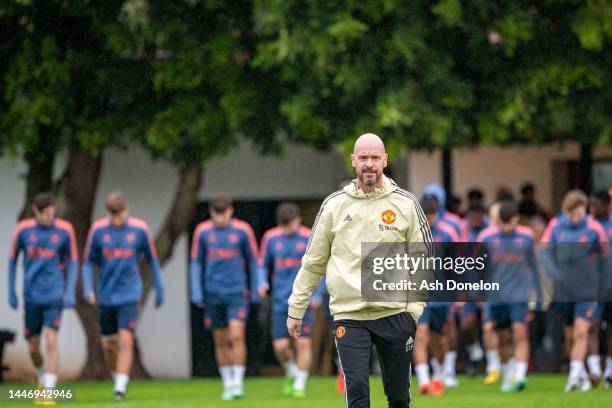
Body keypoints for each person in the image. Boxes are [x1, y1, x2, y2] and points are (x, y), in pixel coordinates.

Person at [287, 133, 433, 408]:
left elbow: (423, 259)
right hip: (349, 314)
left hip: (395, 313)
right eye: (363, 157)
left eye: (375, 157)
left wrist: (413, 311)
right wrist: (297, 308)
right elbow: (313, 262)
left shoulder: (406, 204)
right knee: (356, 392)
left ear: (385, 161)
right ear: (353, 161)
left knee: (399, 397)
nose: (369, 164)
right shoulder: (333, 205)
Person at [82, 191, 164, 401]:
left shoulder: (139, 229)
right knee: (109, 344)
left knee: (126, 339)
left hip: (130, 294)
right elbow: (89, 261)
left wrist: (159, 288)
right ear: (108, 213)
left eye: (120, 214)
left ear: (126, 210)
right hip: (106, 295)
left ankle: (120, 386)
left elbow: (153, 259)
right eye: (113, 214)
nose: (117, 219)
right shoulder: (98, 230)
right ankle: (117, 375)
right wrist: (88, 288)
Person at [189, 194, 261, 400]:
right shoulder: (202, 231)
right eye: (216, 214)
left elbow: (253, 260)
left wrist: (256, 288)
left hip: (237, 292)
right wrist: (196, 291)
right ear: (211, 212)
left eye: (224, 213)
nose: (220, 218)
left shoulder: (242, 230)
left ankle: (238, 383)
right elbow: (195, 262)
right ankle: (227, 383)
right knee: (220, 340)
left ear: (231, 211)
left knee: (236, 336)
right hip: (212, 293)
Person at [8, 192, 78, 398]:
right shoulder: (23, 230)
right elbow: (12, 260)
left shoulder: (65, 230)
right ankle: (41, 375)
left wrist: (70, 290)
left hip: (54, 293)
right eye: (44, 214)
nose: (48, 217)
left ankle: (48, 391)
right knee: (33, 348)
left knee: (52, 339)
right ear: (35, 212)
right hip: (31, 296)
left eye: (51, 213)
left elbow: (73, 260)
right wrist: (11, 290)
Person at [540, 189, 608, 392]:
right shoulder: (555, 225)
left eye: (579, 212)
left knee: (581, 331)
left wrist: (603, 288)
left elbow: (606, 258)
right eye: (572, 213)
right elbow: (544, 251)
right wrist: (554, 273)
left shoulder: (594, 228)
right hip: (564, 290)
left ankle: (573, 378)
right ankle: (583, 375)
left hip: (588, 289)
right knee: (569, 336)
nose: (576, 216)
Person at [259, 203, 323, 398]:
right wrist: (261, 282)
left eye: (292, 223)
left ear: (298, 219)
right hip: (280, 300)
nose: (289, 228)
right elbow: (262, 264)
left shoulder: (308, 237)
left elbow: (321, 266)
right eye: (285, 225)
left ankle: (299, 386)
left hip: (304, 300)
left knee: (303, 343)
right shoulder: (271, 238)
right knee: (280, 346)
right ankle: (292, 371)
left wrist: (318, 294)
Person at [477, 201, 540, 392]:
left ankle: (520, 376)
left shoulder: (527, 236)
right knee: (500, 337)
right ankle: (506, 373)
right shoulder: (486, 238)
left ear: (517, 219)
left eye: (510, 222)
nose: (508, 227)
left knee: (520, 333)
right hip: (495, 296)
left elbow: (533, 266)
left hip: (519, 295)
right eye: (503, 223)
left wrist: (537, 293)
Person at [414, 198, 459, 396]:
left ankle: (439, 375)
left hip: (442, 294)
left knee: (439, 341)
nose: (426, 220)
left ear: (435, 215)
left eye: (429, 216)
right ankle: (424, 381)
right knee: (420, 335)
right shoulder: (411, 233)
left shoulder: (448, 233)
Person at [589, 190, 611, 387]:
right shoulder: (589, 226)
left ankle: (610, 371)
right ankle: (594, 370)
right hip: (592, 285)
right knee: (592, 325)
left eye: (596, 205)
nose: (592, 209)